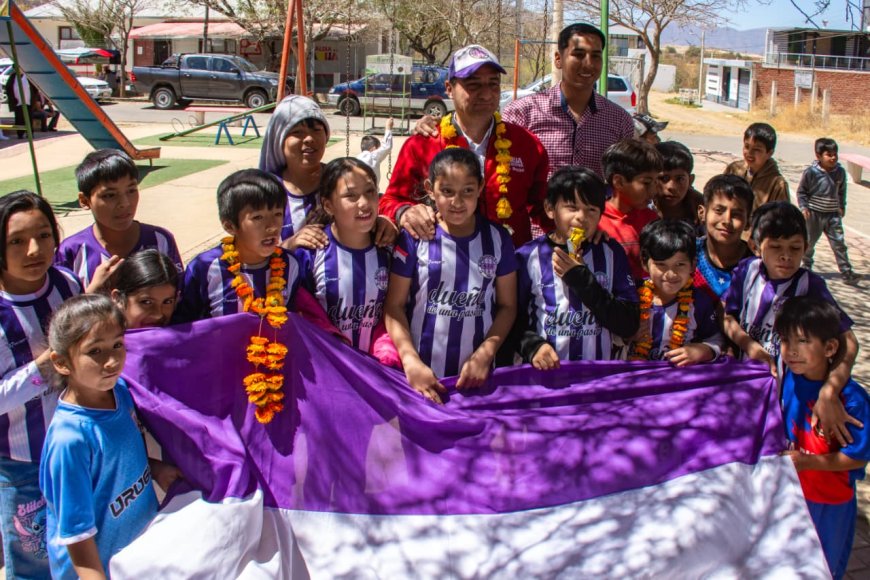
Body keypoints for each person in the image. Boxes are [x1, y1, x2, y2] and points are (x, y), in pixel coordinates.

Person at [40, 294, 180, 579]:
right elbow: (77, 538)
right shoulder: (70, 440)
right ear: (62, 362)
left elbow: (120, 454)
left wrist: (154, 469)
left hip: (137, 556)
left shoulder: (120, 393)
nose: (112, 360)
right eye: (95, 351)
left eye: (117, 345)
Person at [379, 44, 550, 248]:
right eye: (474, 85)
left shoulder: (526, 144)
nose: (486, 94)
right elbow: (390, 200)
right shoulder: (423, 143)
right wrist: (403, 212)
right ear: (449, 89)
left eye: (493, 84)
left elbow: (543, 208)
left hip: (511, 270)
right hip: (441, 267)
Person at [384, 148, 517, 404]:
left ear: (480, 188)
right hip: (421, 377)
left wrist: (485, 354)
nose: (457, 202)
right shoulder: (416, 237)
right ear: (430, 189)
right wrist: (410, 360)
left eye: (467, 190)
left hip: (477, 377)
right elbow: (394, 305)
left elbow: (508, 306)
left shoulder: (498, 239)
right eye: (447, 191)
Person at [723, 201, 860, 445]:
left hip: (791, 394)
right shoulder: (746, 272)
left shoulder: (812, 286)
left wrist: (830, 390)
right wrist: (749, 345)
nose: (786, 256)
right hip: (748, 383)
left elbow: (848, 341)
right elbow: (727, 317)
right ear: (755, 247)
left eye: (795, 248)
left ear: (806, 248)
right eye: (776, 247)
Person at [0, 190, 83, 578]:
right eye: (17, 240)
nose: (34, 250)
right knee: (33, 561)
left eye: (45, 235)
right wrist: (41, 369)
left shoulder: (66, 284)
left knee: (82, 546)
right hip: (21, 465)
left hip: (77, 448)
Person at [776, 296, 870, 580]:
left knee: (823, 568)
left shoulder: (851, 401)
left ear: (830, 347)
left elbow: (855, 457)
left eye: (803, 341)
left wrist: (807, 463)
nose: (791, 351)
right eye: (785, 340)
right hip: (796, 496)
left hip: (831, 503)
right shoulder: (791, 379)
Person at [515, 166, 639, 368]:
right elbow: (511, 317)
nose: (582, 217)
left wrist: (582, 280)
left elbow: (628, 323)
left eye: (591, 209)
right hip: (545, 375)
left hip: (599, 375)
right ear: (549, 208)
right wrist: (532, 346)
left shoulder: (611, 252)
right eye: (572, 207)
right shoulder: (526, 256)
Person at [260, 95, 396, 251]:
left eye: (316, 130)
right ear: (279, 139)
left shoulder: (340, 180)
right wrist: (288, 245)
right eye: (297, 132)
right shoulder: (266, 192)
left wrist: (382, 223)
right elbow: (249, 254)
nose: (309, 138)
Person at [501, 22, 635, 179]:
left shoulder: (619, 120)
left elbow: (624, 181)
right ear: (558, 59)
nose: (588, 63)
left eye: (596, 56)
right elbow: (505, 174)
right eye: (578, 55)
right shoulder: (521, 113)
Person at [174, 169, 302, 322]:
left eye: (278, 214)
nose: (272, 227)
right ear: (230, 226)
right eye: (258, 217)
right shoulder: (205, 269)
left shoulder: (290, 264)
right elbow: (185, 328)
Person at [295, 158, 391, 353]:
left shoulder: (390, 247)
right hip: (329, 370)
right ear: (328, 205)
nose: (364, 203)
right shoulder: (310, 253)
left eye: (370, 192)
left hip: (379, 373)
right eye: (351, 196)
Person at [55, 149, 183, 291]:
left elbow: (179, 298)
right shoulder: (70, 251)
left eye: (131, 190)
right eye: (110, 195)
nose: (125, 203)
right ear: (85, 200)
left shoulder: (160, 240)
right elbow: (62, 310)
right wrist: (94, 292)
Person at [627, 219, 723, 365]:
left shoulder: (700, 302)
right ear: (644, 263)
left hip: (677, 383)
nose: (671, 274)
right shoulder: (630, 295)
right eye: (661, 265)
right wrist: (625, 335)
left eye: (680, 264)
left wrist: (703, 351)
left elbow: (715, 339)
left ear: (693, 265)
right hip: (631, 378)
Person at [596, 138, 662, 283]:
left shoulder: (652, 220)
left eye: (656, 181)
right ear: (619, 181)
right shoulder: (595, 220)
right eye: (646, 183)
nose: (653, 191)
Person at [797, 137, 859, 285]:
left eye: (835, 154)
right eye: (828, 154)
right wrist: (804, 207)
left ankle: (846, 271)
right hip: (814, 214)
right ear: (818, 156)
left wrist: (842, 206)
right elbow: (802, 192)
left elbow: (842, 191)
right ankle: (806, 266)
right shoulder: (811, 172)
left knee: (839, 243)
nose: (833, 158)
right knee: (809, 242)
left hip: (832, 215)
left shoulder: (840, 172)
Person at [693, 174, 754, 300]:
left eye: (736, 214)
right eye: (719, 211)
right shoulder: (688, 254)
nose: (727, 220)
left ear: (748, 221)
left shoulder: (756, 266)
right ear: (702, 213)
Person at [724, 122, 790, 215]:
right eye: (747, 146)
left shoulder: (777, 184)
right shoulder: (733, 169)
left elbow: (782, 218)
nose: (749, 153)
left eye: (757, 149)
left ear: (769, 153)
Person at [109, 249, 179, 329]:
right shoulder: (99, 340)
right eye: (146, 302)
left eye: (167, 302)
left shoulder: (184, 338)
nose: (158, 315)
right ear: (118, 299)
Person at [653, 141, 702, 227]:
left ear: (690, 180)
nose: (672, 187)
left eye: (680, 179)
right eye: (664, 178)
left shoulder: (701, 210)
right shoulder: (641, 208)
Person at [356, 117, 394, 189]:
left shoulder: (357, 159)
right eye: (378, 149)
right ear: (374, 149)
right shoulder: (371, 156)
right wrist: (388, 128)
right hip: (370, 195)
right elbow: (387, 146)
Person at [4, 70, 34, 139]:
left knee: (29, 117)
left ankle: (29, 133)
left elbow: (34, 88)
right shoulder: (13, 76)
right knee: (19, 118)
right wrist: (12, 99)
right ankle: (20, 134)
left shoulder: (28, 75)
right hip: (17, 102)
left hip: (28, 101)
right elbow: (8, 87)